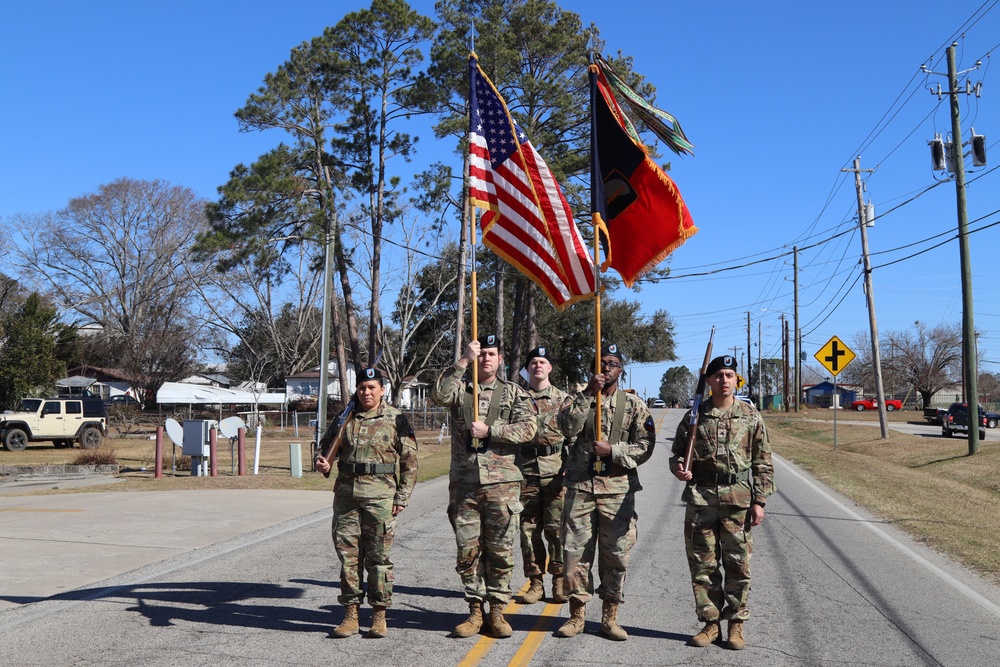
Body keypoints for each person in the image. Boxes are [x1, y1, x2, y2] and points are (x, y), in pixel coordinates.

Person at [431, 334, 538, 639]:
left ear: (501, 359)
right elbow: (439, 395)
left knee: (500, 551)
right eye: (481, 354)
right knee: (468, 550)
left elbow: (530, 428)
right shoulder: (461, 390)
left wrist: (493, 430)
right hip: (464, 485)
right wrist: (463, 360)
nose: (486, 359)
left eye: (491, 354)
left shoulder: (514, 393)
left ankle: (497, 611)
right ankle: (475, 611)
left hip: (502, 485)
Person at [670, 354, 775, 650]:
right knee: (703, 565)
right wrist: (679, 467)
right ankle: (710, 623)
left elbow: (763, 460)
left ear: (735, 379)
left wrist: (760, 500)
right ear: (709, 380)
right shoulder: (695, 415)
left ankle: (736, 624)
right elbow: (677, 453)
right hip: (701, 498)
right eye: (718, 375)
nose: (724, 380)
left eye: (729, 375)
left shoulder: (750, 415)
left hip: (738, 499)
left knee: (738, 565)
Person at [555, 343, 656, 641]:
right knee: (575, 554)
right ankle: (576, 616)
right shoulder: (578, 398)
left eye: (612, 363)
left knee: (615, 556)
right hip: (581, 489)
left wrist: (614, 450)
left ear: (620, 370)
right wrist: (588, 394)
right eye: (601, 363)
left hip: (617, 491)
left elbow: (646, 445)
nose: (606, 368)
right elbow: (565, 428)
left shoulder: (634, 405)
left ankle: (610, 617)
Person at [315, 367, 418, 639]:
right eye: (362, 387)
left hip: (381, 498)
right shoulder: (344, 417)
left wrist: (402, 496)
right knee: (348, 558)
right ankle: (350, 615)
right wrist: (321, 461)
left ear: (382, 389)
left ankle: (379, 615)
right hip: (347, 497)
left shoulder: (396, 419)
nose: (366, 392)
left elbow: (409, 462)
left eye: (372, 387)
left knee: (378, 558)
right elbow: (324, 448)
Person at [518, 346, 569, 605]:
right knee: (528, 530)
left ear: (550, 368)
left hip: (556, 472)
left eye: (543, 362)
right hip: (524, 471)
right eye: (533, 362)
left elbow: (575, 436)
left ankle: (559, 580)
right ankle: (535, 582)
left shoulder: (564, 399)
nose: (538, 365)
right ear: (527, 369)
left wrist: (571, 469)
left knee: (556, 530)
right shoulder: (516, 398)